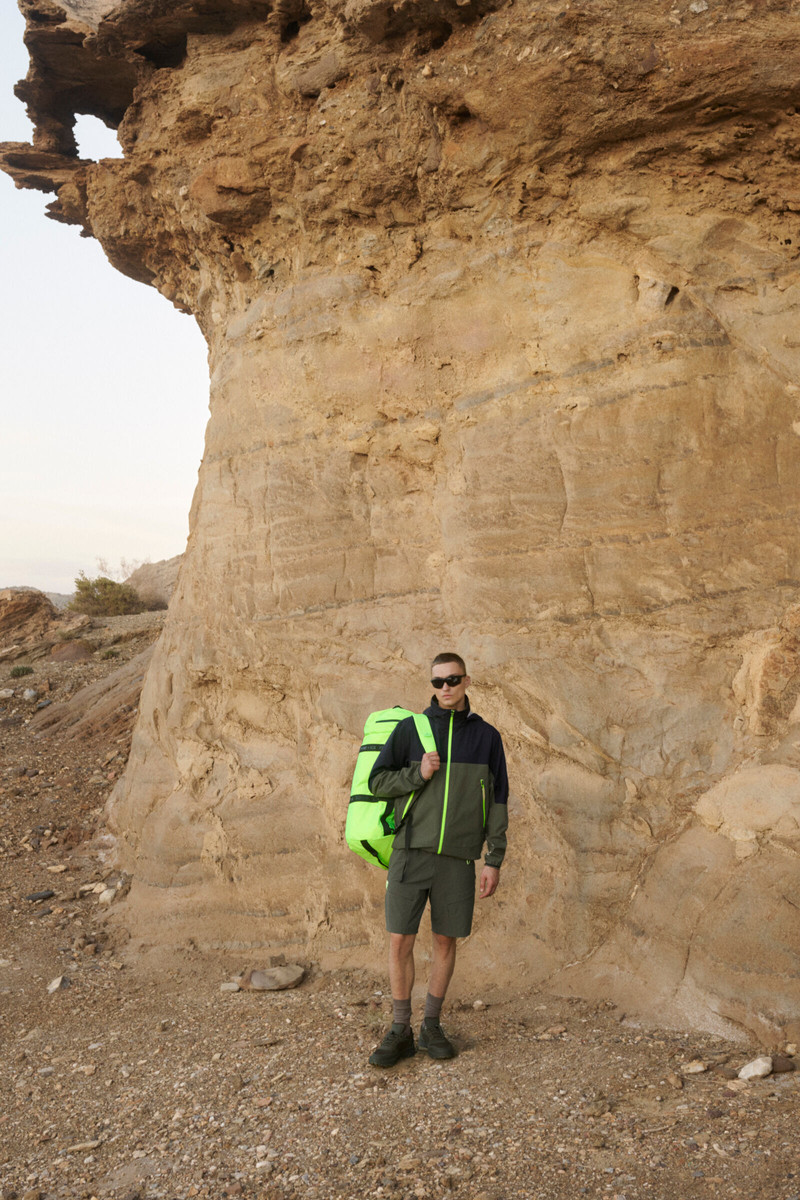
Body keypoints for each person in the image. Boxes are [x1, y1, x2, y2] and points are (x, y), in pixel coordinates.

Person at [367, 653, 509, 1067]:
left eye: (452, 680)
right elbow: (377, 782)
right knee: (400, 940)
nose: (445, 688)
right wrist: (418, 774)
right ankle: (400, 1030)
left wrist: (494, 858)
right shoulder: (411, 729)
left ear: (467, 681)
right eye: (437, 682)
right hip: (410, 852)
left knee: (446, 941)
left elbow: (498, 800)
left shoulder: (487, 737)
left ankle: (431, 1025)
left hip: (458, 859)